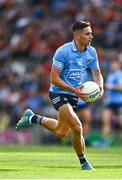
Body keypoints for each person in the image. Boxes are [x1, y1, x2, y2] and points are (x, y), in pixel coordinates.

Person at [16, 20, 104, 170]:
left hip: (73, 94)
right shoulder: (63, 51)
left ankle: (32, 117)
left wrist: (100, 87)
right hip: (58, 92)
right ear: (77, 36)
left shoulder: (91, 52)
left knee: (61, 131)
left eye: (91, 33)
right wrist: (74, 90)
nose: (91, 36)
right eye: (87, 34)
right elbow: (53, 78)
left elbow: (97, 73)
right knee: (77, 127)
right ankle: (84, 163)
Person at [100, 60, 122, 147]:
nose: (113, 66)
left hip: (119, 102)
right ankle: (104, 141)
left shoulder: (120, 74)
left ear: (118, 66)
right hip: (110, 102)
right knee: (105, 122)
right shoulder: (111, 75)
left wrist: (110, 86)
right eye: (112, 65)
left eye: (115, 65)